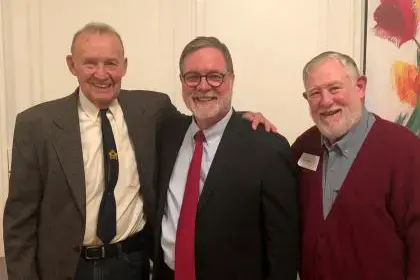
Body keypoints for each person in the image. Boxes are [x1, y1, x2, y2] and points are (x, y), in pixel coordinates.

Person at [3, 22, 274, 280]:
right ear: (71, 65)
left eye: (110, 63)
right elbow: (19, 222)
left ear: (124, 66)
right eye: (90, 63)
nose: (101, 73)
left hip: (132, 263)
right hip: (66, 268)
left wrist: (243, 120)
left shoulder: (152, 109)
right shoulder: (36, 125)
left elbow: (201, 116)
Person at [153, 36, 299, 280]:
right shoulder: (167, 134)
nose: (203, 86)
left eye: (215, 76)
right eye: (192, 77)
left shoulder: (268, 148)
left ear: (230, 79)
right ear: (182, 82)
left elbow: (282, 246)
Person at [291, 51, 420, 280]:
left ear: (360, 87)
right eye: (315, 93)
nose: (326, 101)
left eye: (334, 88)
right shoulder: (303, 148)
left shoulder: (404, 149)